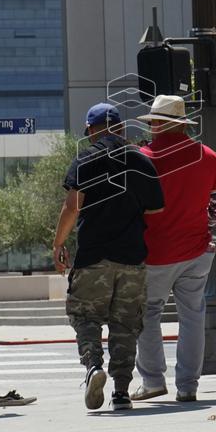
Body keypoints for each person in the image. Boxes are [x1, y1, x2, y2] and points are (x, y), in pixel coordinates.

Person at [52, 103, 165, 411]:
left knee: (85, 317)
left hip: (94, 257)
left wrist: (58, 243)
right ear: (121, 128)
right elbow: (156, 208)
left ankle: (93, 366)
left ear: (92, 129)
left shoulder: (86, 158)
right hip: (131, 258)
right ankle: (121, 391)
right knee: (125, 325)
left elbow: (72, 207)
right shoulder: (141, 161)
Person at [131, 95, 216, 403]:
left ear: (159, 123)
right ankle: (187, 386)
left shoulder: (141, 158)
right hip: (197, 251)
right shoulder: (208, 156)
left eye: (154, 122)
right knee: (193, 315)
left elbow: (134, 210)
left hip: (154, 251)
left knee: (147, 314)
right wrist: (204, 234)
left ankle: (154, 380)